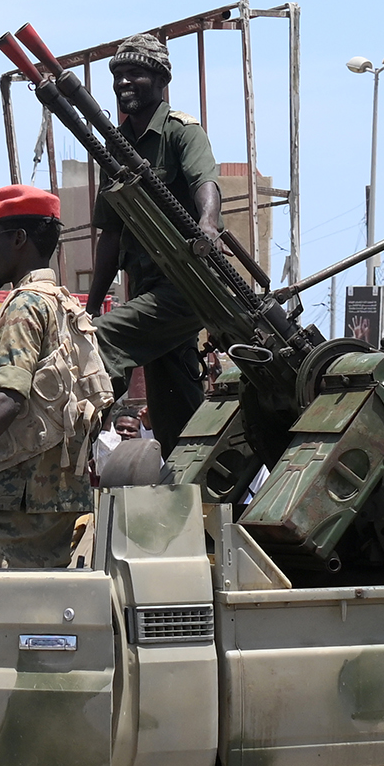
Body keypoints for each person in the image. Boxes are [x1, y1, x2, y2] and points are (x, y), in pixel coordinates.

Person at [0, 184, 112, 568]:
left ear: (19, 239)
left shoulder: (25, 305)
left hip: (17, 505)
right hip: (60, 502)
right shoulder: (64, 304)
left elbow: (10, 397)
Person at [87, 34, 220, 455]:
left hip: (187, 285)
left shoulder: (181, 132)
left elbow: (205, 182)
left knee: (100, 343)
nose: (123, 83)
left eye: (135, 73)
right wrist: (90, 306)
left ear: (161, 79)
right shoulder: (116, 146)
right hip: (150, 290)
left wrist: (208, 224)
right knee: (173, 411)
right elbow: (110, 232)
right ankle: (188, 491)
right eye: (118, 75)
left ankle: (71, 437)